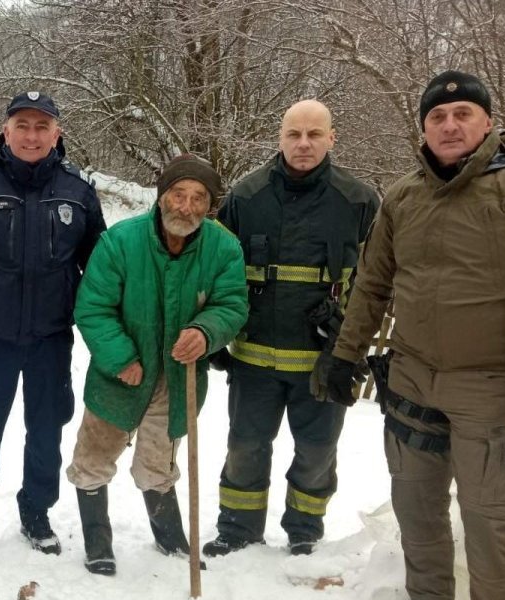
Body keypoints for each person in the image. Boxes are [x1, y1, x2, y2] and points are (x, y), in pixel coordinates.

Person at [319, 71, 505, 600]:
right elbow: (373, 284)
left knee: (489, 528)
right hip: (412, 382)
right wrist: (343, 353)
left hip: (489, 389)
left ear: (487, 121)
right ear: (423, 128)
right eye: (437, 117)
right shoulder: (403, 195)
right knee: (417, 521)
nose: (449, 125)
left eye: (462, 114)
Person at [0, 91, 107, 556]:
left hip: (51, 335)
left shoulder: (78, 191)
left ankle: (37, 512)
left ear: (57, 133)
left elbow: (102, 270)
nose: (32, 135)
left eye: (42, 126)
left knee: (46, 428)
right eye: (22, 126)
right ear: (5, 131)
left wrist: (107, 329)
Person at [204, 99, 379, 557]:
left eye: (314, 134)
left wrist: (352, 345)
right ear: (279, 138)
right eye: (294, 135)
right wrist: (218, 334)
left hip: (324, 360)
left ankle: (304, 529)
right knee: (245, 446)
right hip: (254, 357)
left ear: (331, 138)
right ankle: (238, 528)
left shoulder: (359, 200)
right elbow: (218, 270)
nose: (303, 144)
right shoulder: (246, 196)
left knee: (317, 451)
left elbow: (375, 281)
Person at [66, 155, 248, 575]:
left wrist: (205, 331)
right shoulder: (120, 242)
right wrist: (121, 358)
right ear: (161, 196)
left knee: (158, 463)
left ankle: (169, 536)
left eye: (198, 198)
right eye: (178, 195)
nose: (186, 206)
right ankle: (97, 540)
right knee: (93, 459)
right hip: (119, 377)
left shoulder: (223, 248)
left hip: (176, 379)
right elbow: (93, 307)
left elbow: (232, 303)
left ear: (210, 205)